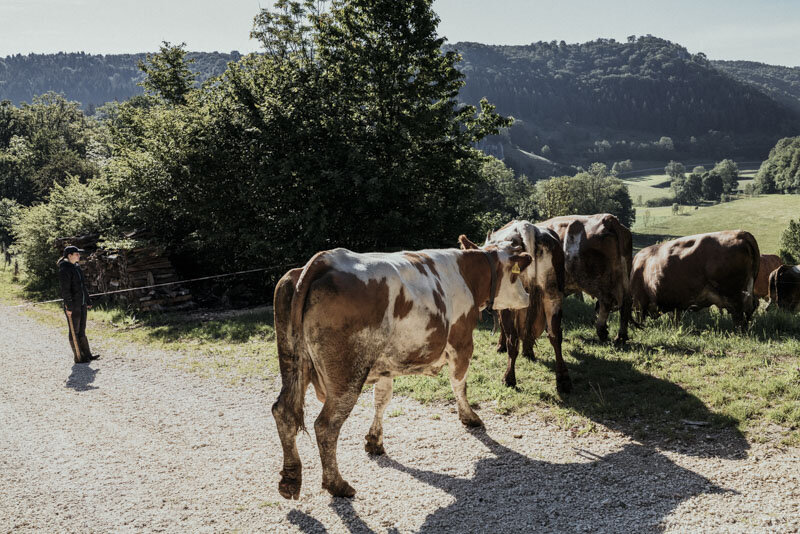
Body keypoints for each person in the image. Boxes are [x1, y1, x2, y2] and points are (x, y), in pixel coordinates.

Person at [58, 245, 97, 363]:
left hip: (82, 303)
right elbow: (65, 290)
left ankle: (87, 355)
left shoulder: (76, 267)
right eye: (76, 254)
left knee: (82, 329)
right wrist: (69, 307)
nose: (79, 256)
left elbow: (82, 286)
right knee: (74, 330)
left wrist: (88, 300)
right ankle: (79, 356)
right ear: (69, 256)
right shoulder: (64, 269)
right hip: (73, 305)